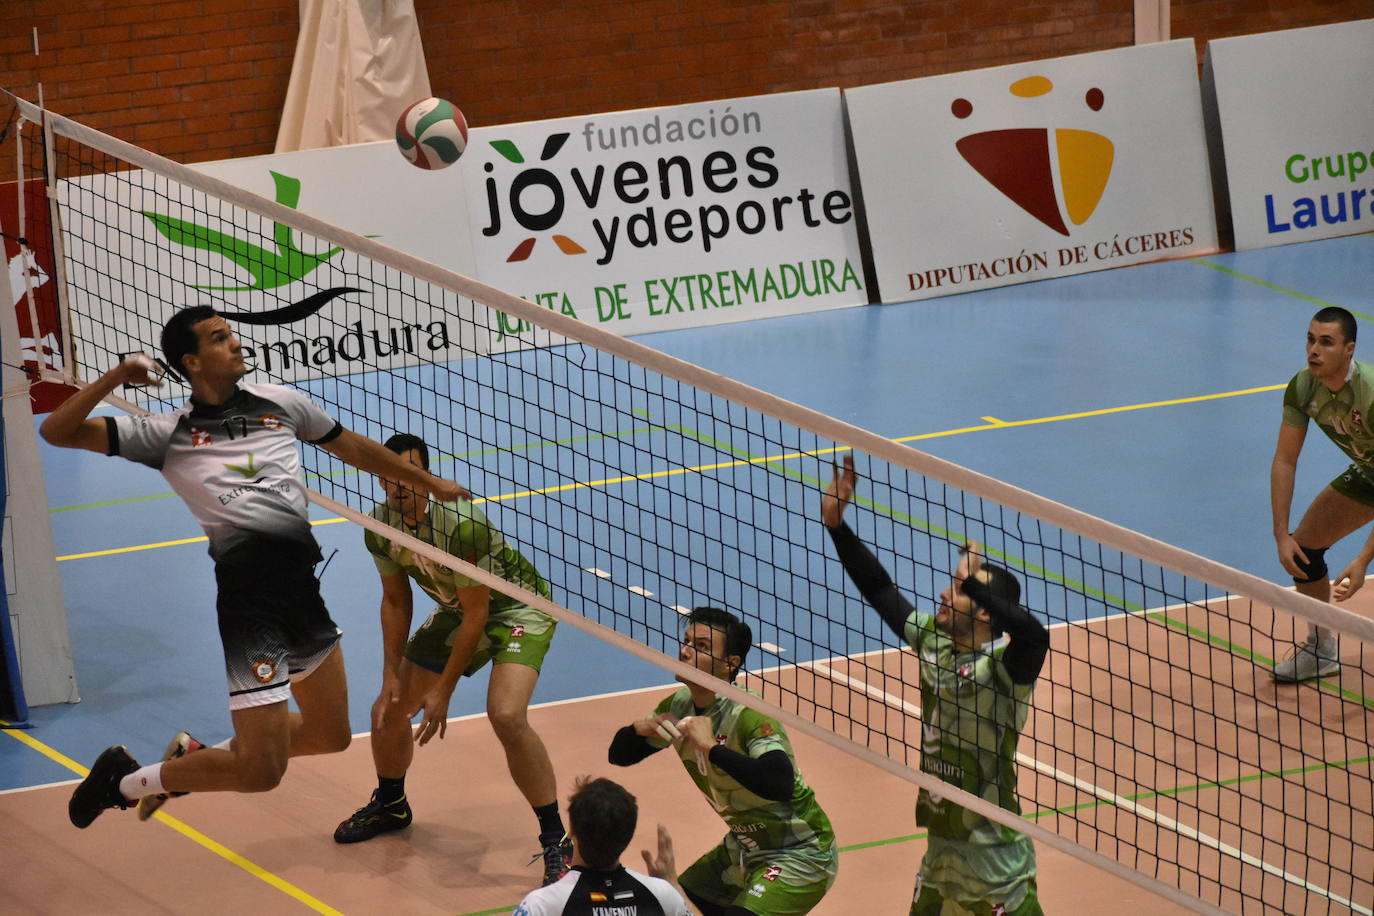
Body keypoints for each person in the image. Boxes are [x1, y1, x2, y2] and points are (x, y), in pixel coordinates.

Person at [41, 305, 463, 828]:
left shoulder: (281, 402)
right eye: (220, 338)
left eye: (232, 334)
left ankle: (193, 759)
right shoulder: (166, 434)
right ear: (193, 362)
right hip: (251, 607)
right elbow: (57, 431)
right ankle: (124, 783)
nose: (236, 343)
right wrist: (117, 375)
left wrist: (429, 482)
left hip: (302, 595)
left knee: (330, 736)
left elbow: (355, 448)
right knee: (262, 773)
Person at [332, 433, 571, 885]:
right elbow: (395, 601)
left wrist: (445, 689)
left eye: (410, 474)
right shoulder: (380, 527)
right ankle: (391, 805)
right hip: (458, 609)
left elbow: (480, 614)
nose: (399, 484)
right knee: (389, 710)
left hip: (517, 610)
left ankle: (556, 838)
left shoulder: (463, 526)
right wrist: (389, 675)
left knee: (506, 715)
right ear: (379, 478)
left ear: (426, 477)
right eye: (389, 474)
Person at [822, 453, 1049, 916]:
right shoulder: (933, 642)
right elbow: (880, 590)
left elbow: (1035, 637)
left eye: (957, 591)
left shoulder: (1004, 671)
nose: (944, 593)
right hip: (941, 855)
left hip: (997, 869)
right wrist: (837, 526)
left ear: (984, 611)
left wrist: (976, 584)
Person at [608, 606, 838, 915]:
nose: (685, 652)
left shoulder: (748, 713)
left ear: (730, 663)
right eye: (687, 642)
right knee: (666, 908)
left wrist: (711, 748)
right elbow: (619, 756)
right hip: (745, 846)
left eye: (701, 646)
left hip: (800, 853)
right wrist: (638, 729)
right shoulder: (679, 705)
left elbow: (779, 782)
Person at [1270, 305, 1370, 682]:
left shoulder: (1370, 394)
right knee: (1304, 550)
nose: (1314, 350)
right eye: (1311, 340)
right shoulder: (1303, 387)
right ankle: (1321, 651)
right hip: (1369, 473)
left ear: (1349, 349)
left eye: (1326, 342)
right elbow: (1285, 460)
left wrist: (1364, 558)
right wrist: (1281, 534)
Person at [513, 776, 694, 915]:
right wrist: (673, 886)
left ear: (572, 830)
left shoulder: (541, 905)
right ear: (629, 836)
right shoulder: (664, 896)